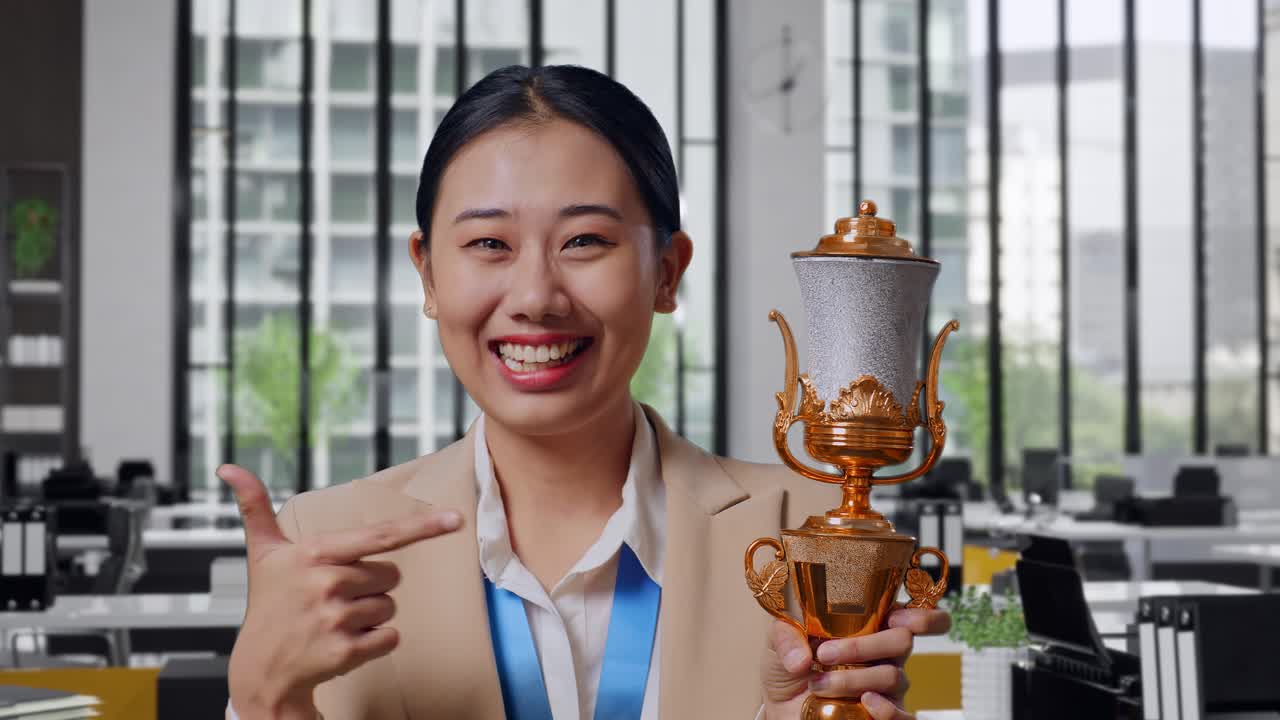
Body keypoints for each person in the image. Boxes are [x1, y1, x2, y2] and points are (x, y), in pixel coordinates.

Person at [220, 64, 949, 720]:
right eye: (489, 245)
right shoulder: (326, 549)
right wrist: (264, 701)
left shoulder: (811, 532)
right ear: (428, 275)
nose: (536, 297)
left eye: (584, 242)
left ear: (666, 272)